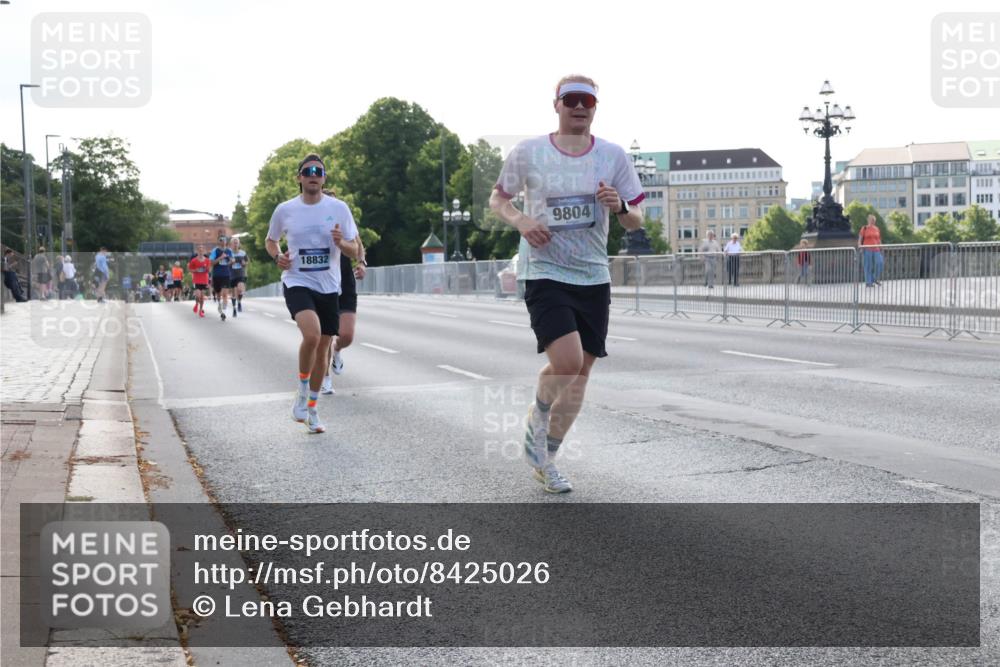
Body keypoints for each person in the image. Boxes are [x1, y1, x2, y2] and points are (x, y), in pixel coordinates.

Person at [489, 74, 645, 494]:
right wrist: (521, 220)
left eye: (587, 101)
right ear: (556, 104)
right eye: (571, 100)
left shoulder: (612, 155)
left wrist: (621, 206)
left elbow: (636, 219)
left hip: (593, 273)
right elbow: (498, 198)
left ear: (596, 107)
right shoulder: (530, 151)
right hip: (544, 270)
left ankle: (546, 457)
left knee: (581, 374)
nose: (580, 107)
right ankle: (537, 418)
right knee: (567, 362)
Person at [266, 154, 359, 433]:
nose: (313, 175)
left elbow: (355, 249)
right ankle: (302, 389)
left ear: (324, 178)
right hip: (297, 281)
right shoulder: (285, 210)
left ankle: (313, 410)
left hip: (329, 285)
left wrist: (341, 243)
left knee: (323, 352)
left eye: (318, 171)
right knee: (312, 335)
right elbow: (271, 241)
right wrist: (278, 256)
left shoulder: (339, 208)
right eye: (308, 171)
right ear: (299, 177)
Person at [321, 235, 367, 394]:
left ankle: (337, 349)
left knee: (347, 336)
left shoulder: (340, 216)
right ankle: (325, 378)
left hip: (345, 281)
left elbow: (358, 243)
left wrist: (361, 263)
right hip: (322, 283)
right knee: (325, 335)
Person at [210, 236, 234, 320]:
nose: (223, 241)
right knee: (218, 294)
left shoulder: (229, 250)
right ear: (218, 241)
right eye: (221, 240)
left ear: (226, 241)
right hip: (217, 275)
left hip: (226, 274)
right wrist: (221, 257)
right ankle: (219, 305)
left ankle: (224, 312)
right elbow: (212, 262)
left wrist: (231, 261)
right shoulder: (215, 251)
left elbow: (232, 260)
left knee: (225, 294)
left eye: (224, 240)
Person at [859, 214, 884, 287]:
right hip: (867, 248)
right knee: (868, 266)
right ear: (868, 220)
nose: (873, 221)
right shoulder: (864, 228)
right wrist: (860, 247)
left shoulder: (877, 229)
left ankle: (875, 279)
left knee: (880, 263)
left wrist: (881, 247)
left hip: (876, 249)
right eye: (871, 220)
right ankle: (868, 282)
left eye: (874, 220)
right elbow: (860, 238)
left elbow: (878, 239)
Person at [188, 246, 211, 317]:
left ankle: (200, 311)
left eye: (202, 251)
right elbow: (190, 269)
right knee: (198, 296)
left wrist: (207, 269)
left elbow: (209, 270)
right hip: (197, 280)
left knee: (202, 297)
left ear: (204, 251)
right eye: (199, 251)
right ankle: (196, 304)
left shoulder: (207, 260)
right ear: (197, 251)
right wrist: (195, 270)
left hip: (204, 280)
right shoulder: (194, 260)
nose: (201, 252)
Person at [229, 237, 249, 315]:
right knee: (233, 293)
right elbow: (224, 264)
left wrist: (244, 263)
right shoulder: (228, 253)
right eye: (234, 242)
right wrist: (230, 263)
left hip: (241, 274)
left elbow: (247, 262)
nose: (235, 244)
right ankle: (234, 308)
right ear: (231, 244)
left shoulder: (243, 253)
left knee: (240, 290)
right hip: (231, 275)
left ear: (239, 244)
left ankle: (239, 302)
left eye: (237, 242)